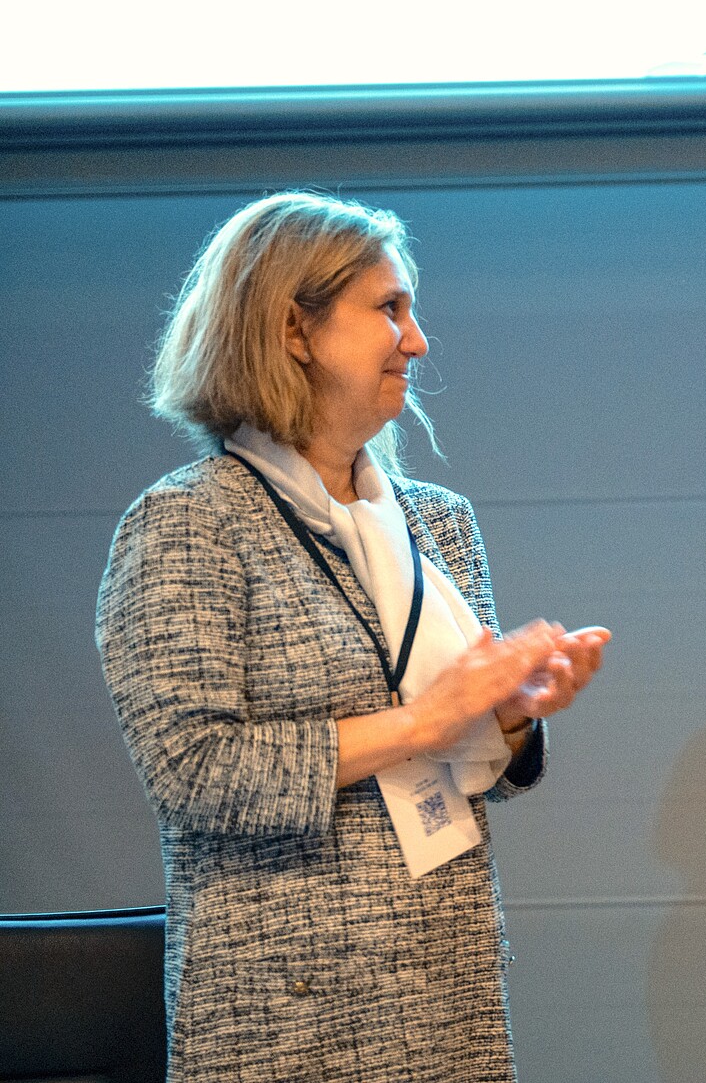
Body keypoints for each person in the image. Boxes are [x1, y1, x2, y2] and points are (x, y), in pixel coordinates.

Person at [97, 193, 609, 1081]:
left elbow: (490, 769)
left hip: (446, 986)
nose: (417, 340)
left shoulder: (437, 523)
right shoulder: (187, 523)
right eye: (389, 308)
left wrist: (513, 713)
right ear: (295, 329)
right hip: (284, 1013)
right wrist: (421, 723)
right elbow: (192, 772)